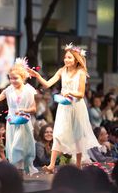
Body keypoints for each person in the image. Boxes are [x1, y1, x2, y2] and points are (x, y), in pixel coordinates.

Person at [28, 43, 100, 173]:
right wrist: (38, 76)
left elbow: (81, 93)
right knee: (58, 133)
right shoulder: (61, 71)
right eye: (65, 57)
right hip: (64, 107)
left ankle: (78, 165)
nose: (66, 60)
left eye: (70, 58)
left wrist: (70, 93)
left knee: (78, 135)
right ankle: (51, 165)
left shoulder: (81, 72)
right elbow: (47, 84)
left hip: (77, 107)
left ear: (76, 59)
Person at [0, 58, 38, 174]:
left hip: (23, 122)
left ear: (23, 77)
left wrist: (24, 110)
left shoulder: (28, 90)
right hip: (12, 122)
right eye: (11, 78)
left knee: (19, 147)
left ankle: (19, 170)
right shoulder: (8, 90)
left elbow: (34, 108)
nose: (13, 81)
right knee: (13, 148)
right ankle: (17, 172)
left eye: (15, 78)